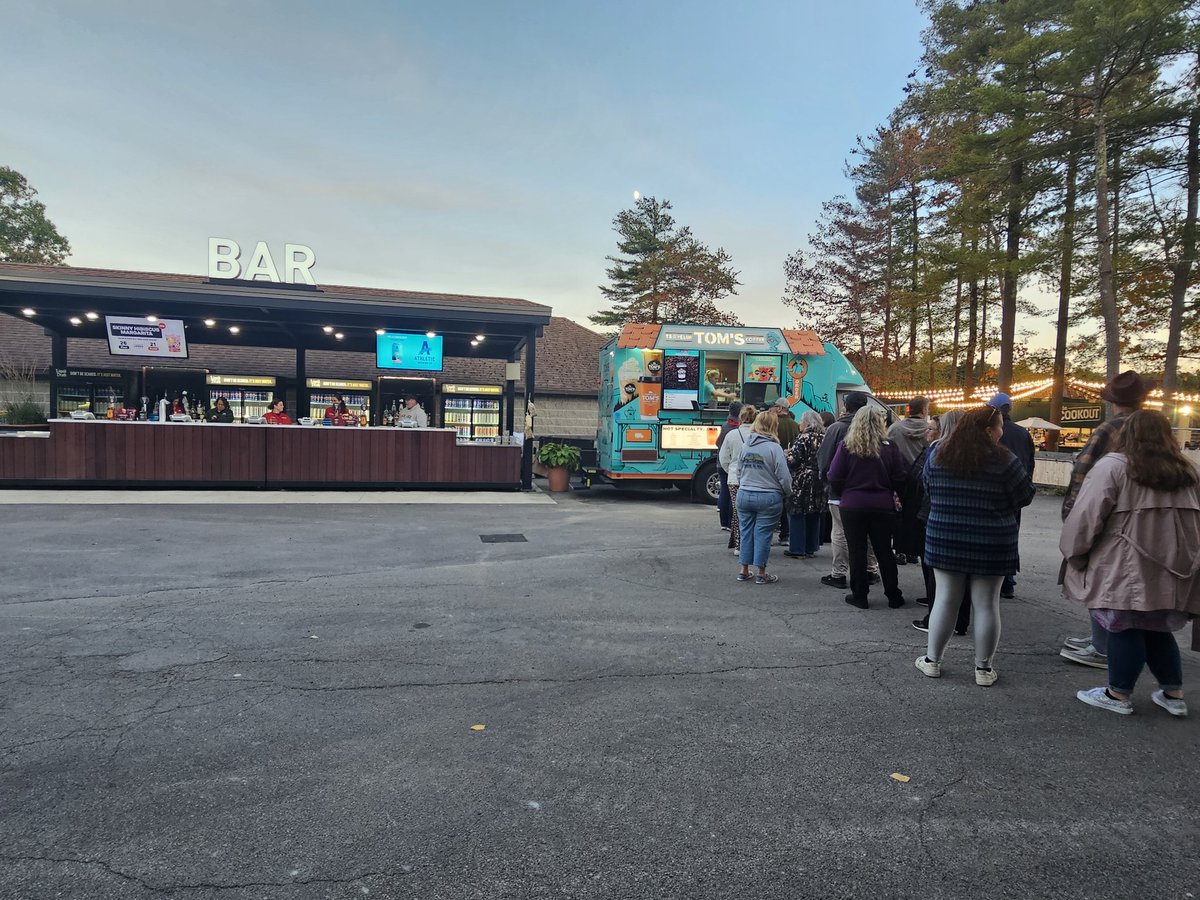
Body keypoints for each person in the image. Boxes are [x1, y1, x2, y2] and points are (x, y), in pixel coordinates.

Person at [1061, 410, 1200, 717]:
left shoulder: (1113, 467)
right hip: (1174, 567)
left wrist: (1074, 551)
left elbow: (1086, 516)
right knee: (1157, 627)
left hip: (1124, 563)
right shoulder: (1188, 472)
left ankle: (1117, 693)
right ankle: (1173, 693)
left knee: (1123, 626)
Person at [915, 406, 1035, 685]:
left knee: (945, 599)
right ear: (989, 430)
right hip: (992, 541)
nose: (1002, 431)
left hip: (945, 538)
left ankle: (932, 661)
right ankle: (983, 669)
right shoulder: (1006, 460)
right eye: (1000, 426)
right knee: (986, 604)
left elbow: (928, 489)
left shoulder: (939, 456)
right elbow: (1025, 495)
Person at [1059, 371, 1152, 669]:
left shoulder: (1108, 429)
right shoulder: (1154, 429)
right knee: (1130, 583)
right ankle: (1107, 641)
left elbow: (1082, 472)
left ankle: (1102, 645)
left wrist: (1071, 513)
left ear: (1113, 401)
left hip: (1107, 511)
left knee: (1097, 578)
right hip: (1146, 515)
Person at [827, 406, 907, 609]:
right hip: (882, 504)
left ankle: (860, 595)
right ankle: (893, 594)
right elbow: (900, 477)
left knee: (857, 551)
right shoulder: (889, 447)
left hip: (853, 504)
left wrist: (845, 491)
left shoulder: (846, 446)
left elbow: (834, 475)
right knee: (884, 550)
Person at [907, 411, 972, 636]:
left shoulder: (937, 451)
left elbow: (921, 479)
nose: (927, 432)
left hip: (936, 517)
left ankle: (935, 619)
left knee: (937, 574)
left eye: (932, 428)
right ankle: (961, 621)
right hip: (968, 522)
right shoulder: (976, 453)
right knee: (963, 576)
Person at [817, 391, 879, 589]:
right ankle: (871, 570)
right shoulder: (877, 430)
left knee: (841, 532)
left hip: (840, 491)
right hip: (871, 491)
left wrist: (827, 481)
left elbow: (824, 459)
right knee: (868, 531)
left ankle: (839, 573)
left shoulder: (836, 428)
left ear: (847, 407)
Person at [735, 410, 791, 585]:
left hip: (744, 494)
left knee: (745, 532)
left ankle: (743, 570)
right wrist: (787, 492)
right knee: (763, 534)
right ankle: (761, 573)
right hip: (768, 497)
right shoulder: (774, 448)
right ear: (773, 426)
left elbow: (739, 471)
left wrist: (745, 483)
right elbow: (784, 476)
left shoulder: (746, 446)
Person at [987, 392, 1035, 598]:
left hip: (991, 491)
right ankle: (1008, 580)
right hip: (1016, 492)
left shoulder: (987, 431)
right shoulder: (1022, 433)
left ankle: (992, 579)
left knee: (989, 536)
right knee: (1011, 535)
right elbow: (1030, 462)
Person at [887, 396, 931, 565]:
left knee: (899, 514)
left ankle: (900, 550)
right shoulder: (929, 430)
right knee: (918, 514)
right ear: (923, 410)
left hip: (900, 476)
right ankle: (915, 550)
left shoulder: (895, 428)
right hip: (921, 478)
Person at [784, 410, 827, 558]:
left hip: (803, 479)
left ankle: (797, 548)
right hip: (820, 479)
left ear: (807, 423)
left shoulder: (804, 437)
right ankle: (811, 547)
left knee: (797, 511)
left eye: (801, 421)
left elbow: (794, 460)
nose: (799, 424)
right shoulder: (824, 436)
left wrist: (787, 455)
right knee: (814, 512)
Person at [719, 405, 757, 553]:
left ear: (741, 418)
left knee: (737, 512)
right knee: (753, 513)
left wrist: (731, 470)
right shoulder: (759, 435)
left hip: (735, 478)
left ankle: (738, 545)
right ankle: (752, 544)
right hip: (754, 478)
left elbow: (723, 458)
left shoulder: (732, 435)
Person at [715, 401, 744, 531]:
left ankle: (723, 522)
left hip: (722, 463)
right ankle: (732, 522)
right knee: (734, 495)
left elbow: (718, 443)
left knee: (724, 492)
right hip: (735, 465)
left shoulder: (725, 425)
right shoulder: (741, 428)